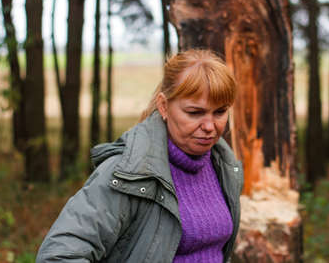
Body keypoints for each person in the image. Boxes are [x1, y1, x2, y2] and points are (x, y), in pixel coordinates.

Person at [36, 49, 244, 263]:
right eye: (194, 113)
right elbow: (57, 256)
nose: (210, 126)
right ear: (164, 106)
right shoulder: (128, 173)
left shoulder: (224, 168)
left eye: (219, 112)